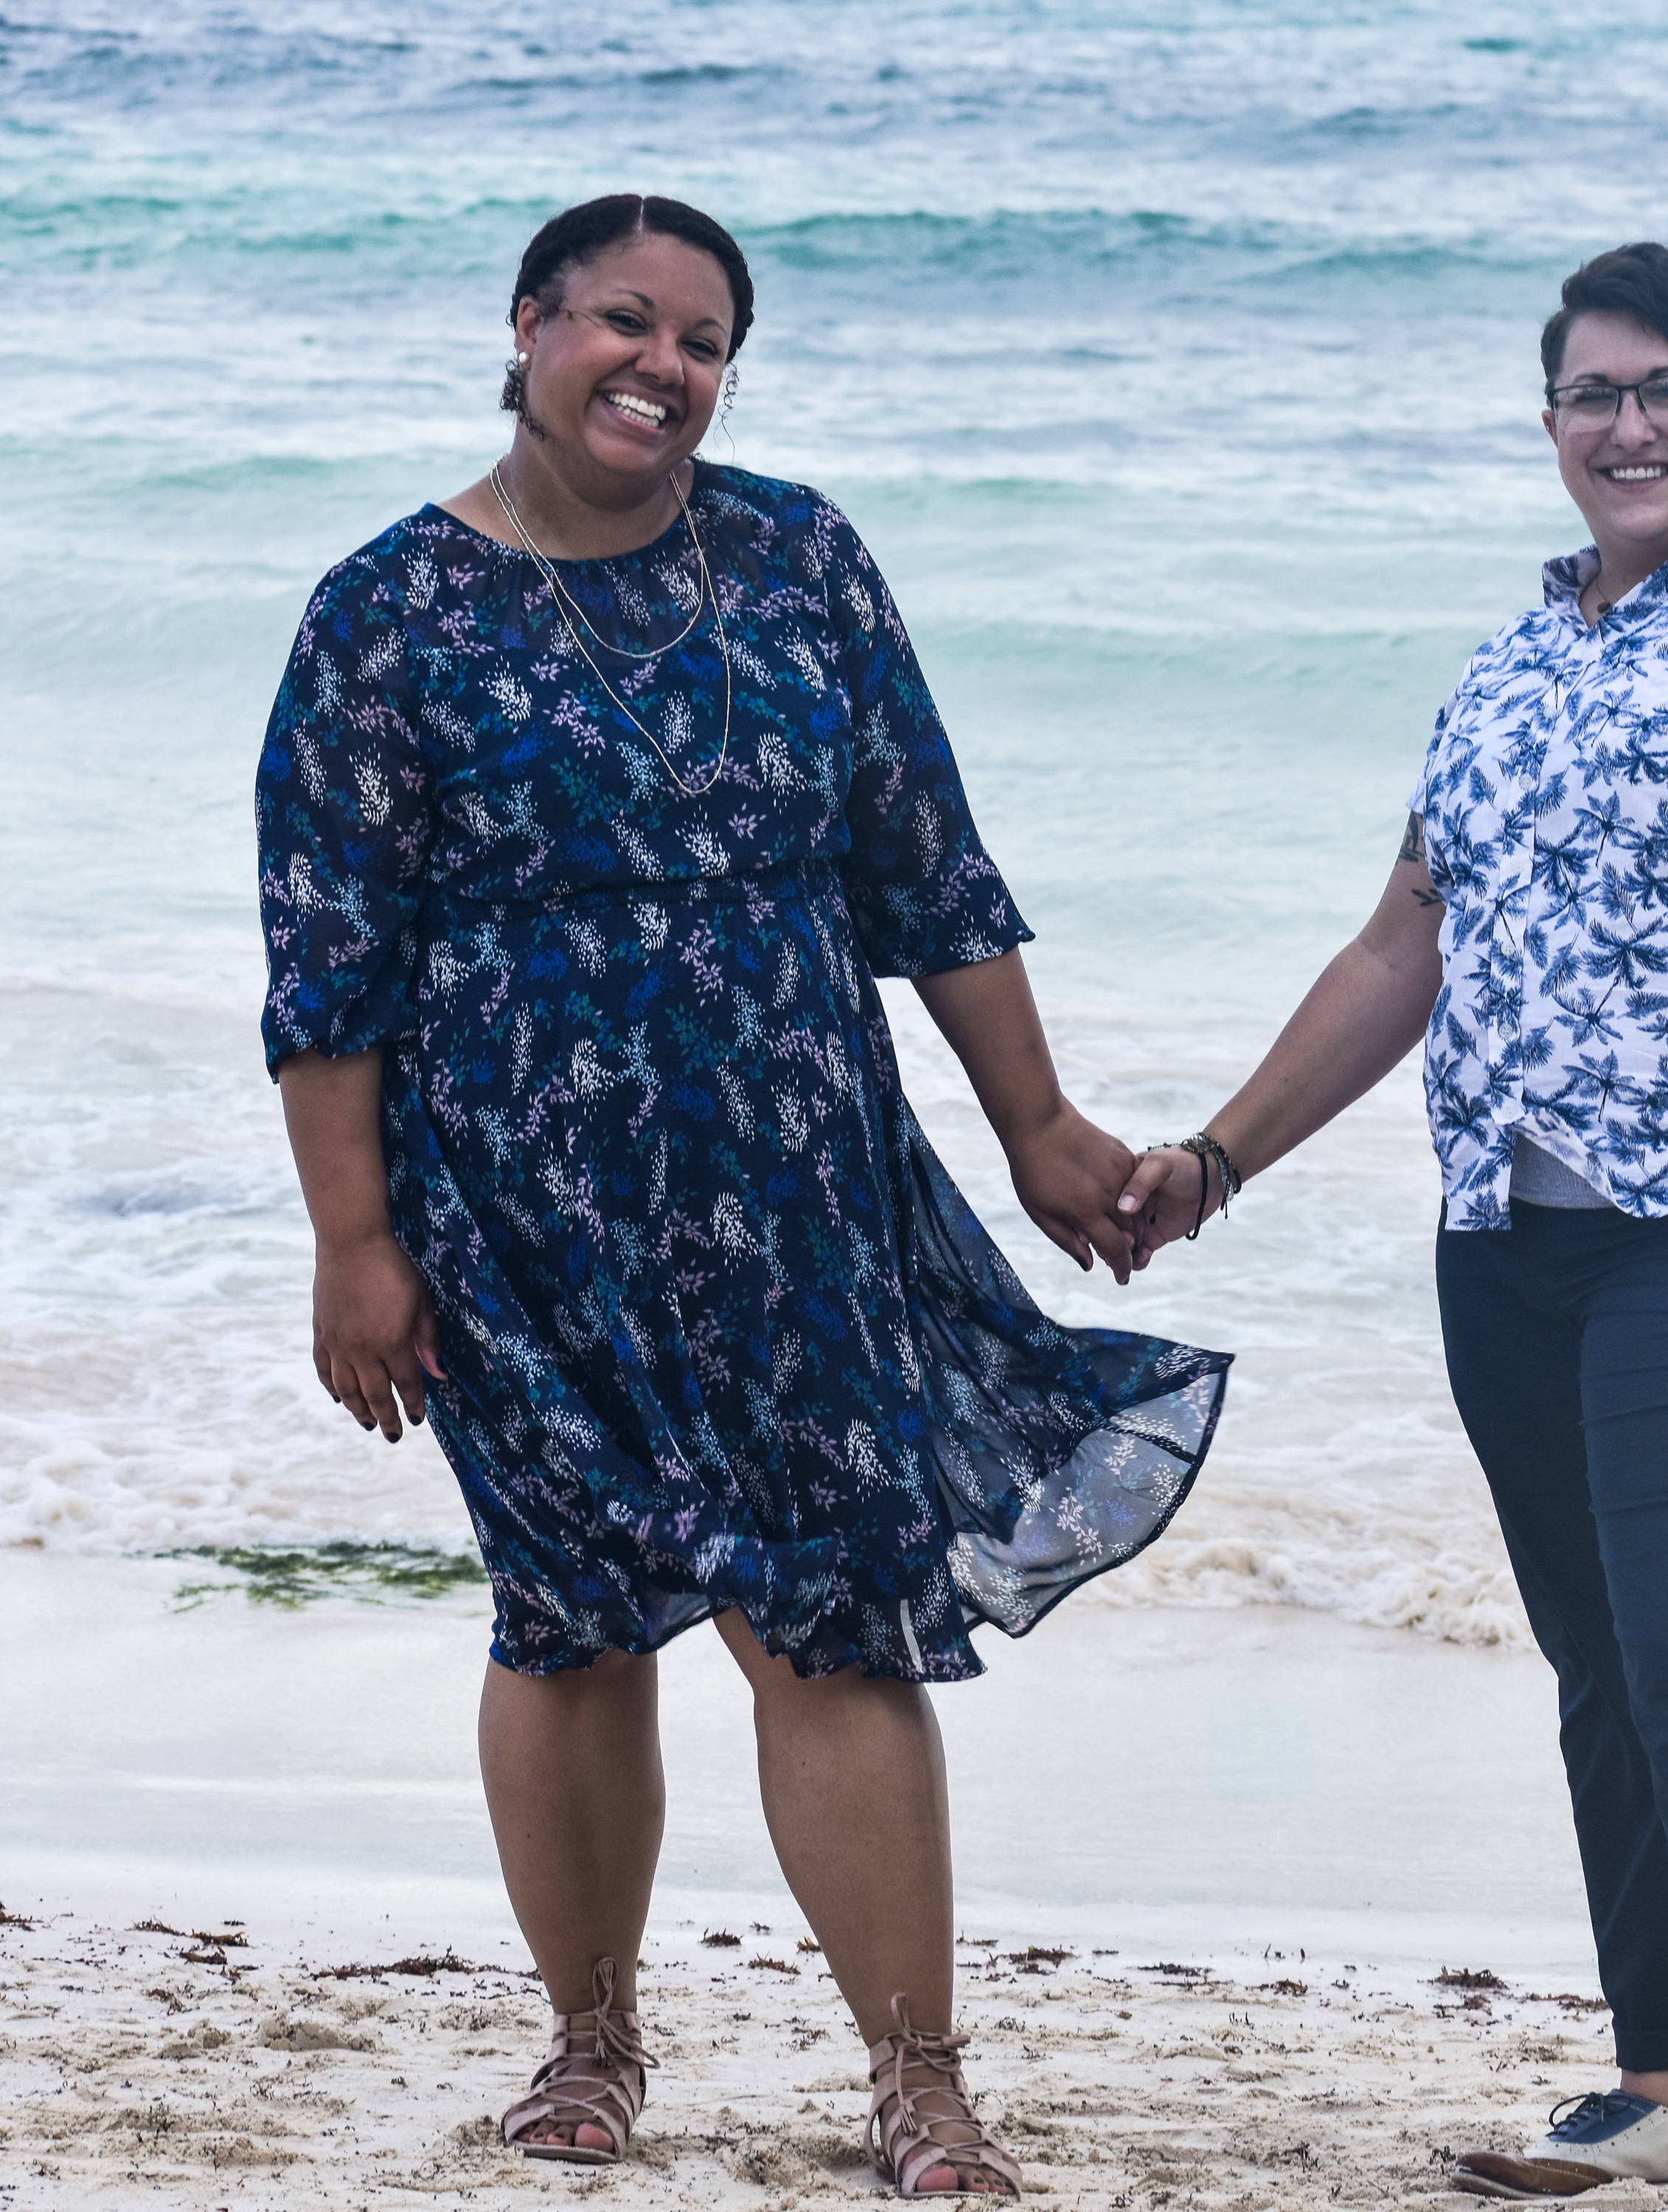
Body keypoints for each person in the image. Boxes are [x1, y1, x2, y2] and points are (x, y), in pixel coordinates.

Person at [256, 192, 1227, 2195]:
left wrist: (1038, 1121)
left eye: (705, 343)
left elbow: (930, 871)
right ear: (527, 327)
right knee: (571, 1621)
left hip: (796, 1184)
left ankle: (917, 2081)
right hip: (515, 1207)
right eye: (625, 322)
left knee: (834, 1622)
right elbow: (325, 965)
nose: (664, 368)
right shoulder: (383, 614)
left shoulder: (801, 558)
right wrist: (353, 1244)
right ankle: (592, 2047)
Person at [1119, 242, 1668, 2212]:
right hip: (1517, 1236)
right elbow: (1401, 942)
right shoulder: (1509, 670)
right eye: (1590, 396)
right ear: (1550, 431)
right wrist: (1220, 1157)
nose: (1628, 426)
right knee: (1608, 1654)